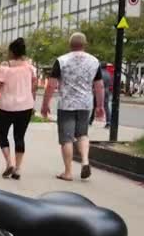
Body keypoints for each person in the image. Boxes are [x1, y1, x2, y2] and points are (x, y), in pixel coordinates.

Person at [41, 32, 105, 181]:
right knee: (82, 134)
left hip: (67, 104)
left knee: (67, 138)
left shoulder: (61, 60)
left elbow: (51, 84)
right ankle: (85, 161)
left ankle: (68, 172)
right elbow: (99, 86)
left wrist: (45, 104)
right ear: (85, 44)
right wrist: (100, 106)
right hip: (85, 104)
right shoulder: (94, 61)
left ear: (70, 45)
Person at [0, 38, 37, 180]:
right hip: (25, 107)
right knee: (19, 137)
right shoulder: (30, 68)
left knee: (2, 135)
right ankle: (18, 169)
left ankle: (9, 162)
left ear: (11, 52)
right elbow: (33, 88)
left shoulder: (3, 69)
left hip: (5, 107)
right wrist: (32, 103)